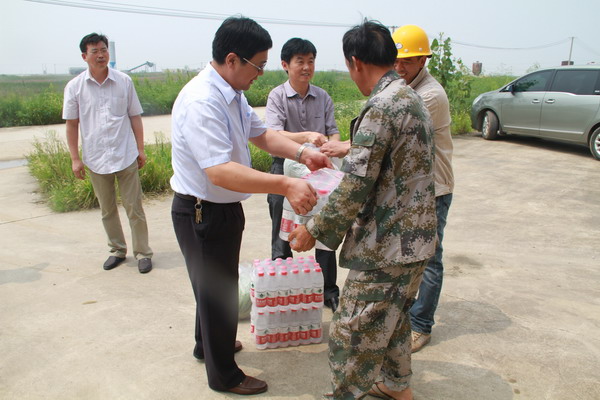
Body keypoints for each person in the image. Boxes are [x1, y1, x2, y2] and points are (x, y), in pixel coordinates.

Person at [169, 17, 331, 396]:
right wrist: (285, 183)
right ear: (232, 59)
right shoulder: (202, 101)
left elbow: (262, 135)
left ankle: (207, 344)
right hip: (202, 210)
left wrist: (303, 153)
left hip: (220, 209)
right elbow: (220, 171)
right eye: (258, 65)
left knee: (215, 286)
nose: (260, 74)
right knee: (217, 292)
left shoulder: (231, 92)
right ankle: (224, 375)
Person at [289, 20, 436, 400]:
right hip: (415, 240)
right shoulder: (409, 97)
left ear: (355, 62)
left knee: (350, 332)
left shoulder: (383, 107)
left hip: (389, 244)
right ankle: (396, 387)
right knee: (392, 321)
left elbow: (356, 184)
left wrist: (313, 229)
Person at [63, 33, 153, 274]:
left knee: (135, 207)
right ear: (84, 56)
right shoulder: (75, 87)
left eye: (104, 50)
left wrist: (140, 149)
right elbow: (72, 124)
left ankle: (143, 253)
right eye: (95, 51)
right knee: (107, 209)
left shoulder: (124, 81)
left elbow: (135, 117)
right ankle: (117, 250)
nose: (101, 55)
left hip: (125, 154)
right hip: (96, 157)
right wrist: (75, 159)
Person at [265, 37, 341, 312]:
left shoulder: (323, 97)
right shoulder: (276, 96)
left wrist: (331, 146)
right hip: (284, 169)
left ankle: (328, 290)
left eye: (311, 61)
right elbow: (273, 134)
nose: (307, 67)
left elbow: (333, 132)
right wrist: (306, 136)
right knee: (282, 229)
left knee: (324, 227)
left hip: (319, 170)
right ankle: (281, 287)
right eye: (300, 61)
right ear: (285, 65)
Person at [392, 24, 455, 353]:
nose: (400, 67)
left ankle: (421, 325)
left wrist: (347, 146)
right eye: (396, 61)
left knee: (429, 258)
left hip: (433, 189)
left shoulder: (429, 95)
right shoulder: (404, 87)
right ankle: (407, 316)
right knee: (408, 255)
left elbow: (393, 132)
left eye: (408, 61)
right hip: (413, 189)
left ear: (422, 60)